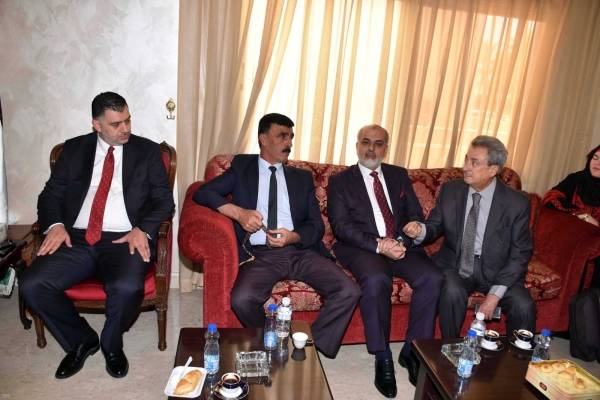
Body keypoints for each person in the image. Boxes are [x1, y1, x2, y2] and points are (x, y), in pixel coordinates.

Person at [21, 92, 175, 379]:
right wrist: (55, 225)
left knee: (127, 287)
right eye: (116, 124)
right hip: (76, 239)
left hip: (124, 239)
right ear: (96, 124)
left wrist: (142, 229)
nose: (125, 129)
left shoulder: (147, 151)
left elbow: (164, 201)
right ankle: (81, 340)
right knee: (32, 284)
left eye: (127, 120)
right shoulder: (73, 150)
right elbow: (50, 195)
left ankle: (111, 345)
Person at [193, 113, 360, 359]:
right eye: (282, 136)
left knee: (349, 290)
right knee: (242, 299)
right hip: (260, 256)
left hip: (300, 251)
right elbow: (202, 192)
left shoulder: (301, 178)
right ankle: (272, 340)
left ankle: (308, 347)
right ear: (263, 139)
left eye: (291, 137)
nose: (288, 143)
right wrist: (239, 213)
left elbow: (316, 225)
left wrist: (293, 237)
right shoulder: (243, 168)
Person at [327, 124, 443, 396]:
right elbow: (341, 226)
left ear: (385, 148)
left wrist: (409, 233)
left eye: (378, 144)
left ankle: (413, 351)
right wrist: (380, 245)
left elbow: (414, 214)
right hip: (362, 247)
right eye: (366, 142)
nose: (371, 149)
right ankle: (383, 356)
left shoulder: (398, 175)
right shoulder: (340, 181)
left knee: (433, 277)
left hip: (400, 244)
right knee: (377, 279)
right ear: (357, 145)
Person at [404, 135, 536, 341]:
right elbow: (435, 225)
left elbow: (521, 253)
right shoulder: (451, 190)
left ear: (493, 170)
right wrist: (419, 231)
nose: (465, 167)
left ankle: (518, 356)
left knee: (523, 305)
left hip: (498, 269)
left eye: (474, 162)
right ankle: (449, 346)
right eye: (466, 159)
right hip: (456, 265)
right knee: (452, 291)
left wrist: (494, 295)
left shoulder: (516, 203)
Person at [543, 144, 600, 287]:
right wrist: (583, 215)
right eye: (595, 157)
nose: (597, 163)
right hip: (568, 241)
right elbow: (551, 198)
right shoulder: (576, 179)